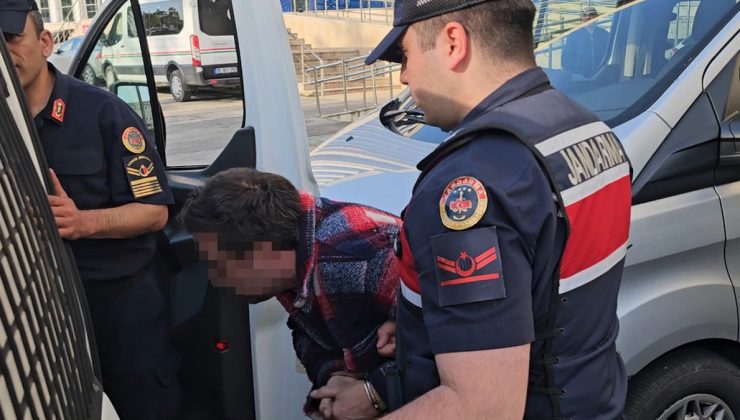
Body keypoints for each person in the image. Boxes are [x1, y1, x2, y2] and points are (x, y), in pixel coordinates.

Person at [313, 0, 632, 419]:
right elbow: (546, 290)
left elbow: (483, 406)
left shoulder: (470, 184)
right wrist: (418, 324)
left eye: (405, 55)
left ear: (453, 43)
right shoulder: (585, 128)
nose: (404, 76)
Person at [0, 2, 181, 419]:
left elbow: (154, 211)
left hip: (120, 305)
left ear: (45, 42)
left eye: (12, 38)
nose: (6, 52)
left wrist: (83, 222)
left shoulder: (103, 112)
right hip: (41, 310)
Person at [177, 167, 400, 419]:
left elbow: (436, 347)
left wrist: (375, 392)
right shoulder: (296, 253)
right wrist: (335, 377)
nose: (215, 279)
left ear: (262, 253)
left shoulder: (364, 258)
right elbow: (308, 333)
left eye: (219, 266)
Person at [561, 6, 610, 77]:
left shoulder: (604, 35)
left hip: (600, 75)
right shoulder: (574, 35)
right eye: (584, 15)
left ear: (597, 17)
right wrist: (574, 74)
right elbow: (566, 58)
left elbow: (610, 54)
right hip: (580, 76)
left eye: (591, 14)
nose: (588, 17)